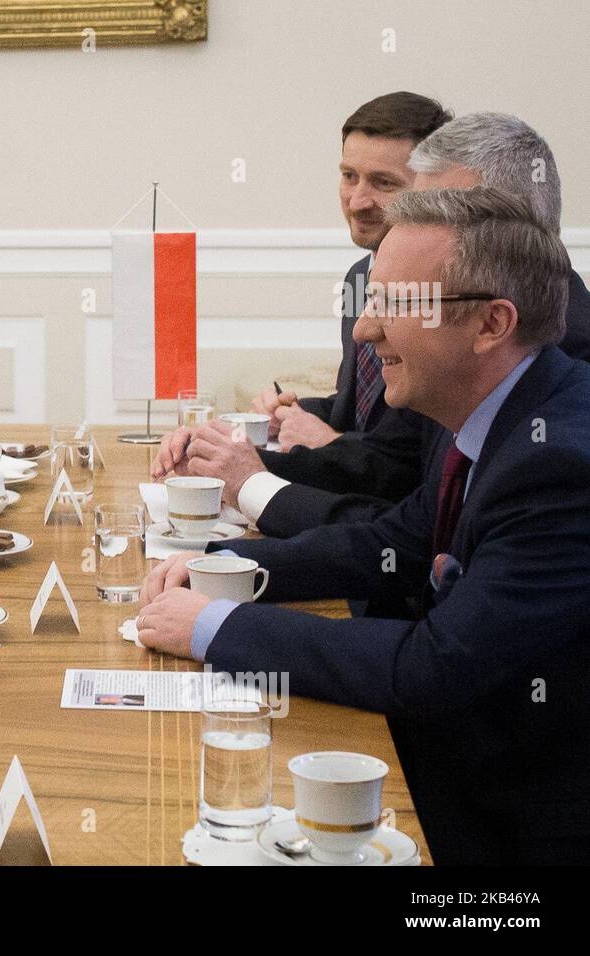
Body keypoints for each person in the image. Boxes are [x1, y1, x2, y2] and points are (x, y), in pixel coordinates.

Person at [136, 188, 590, 865]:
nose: (363, 330)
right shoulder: (482, 407)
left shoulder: (560, 461)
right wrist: (226, 565)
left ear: (491, 324)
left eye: (393, 305)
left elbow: (436, 667)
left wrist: (213, 628)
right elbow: (394, 543)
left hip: (515, 829)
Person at [156, 113, 590, 539]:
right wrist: (233, 458)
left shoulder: (548, 350)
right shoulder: (386, 289)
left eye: (444, 210)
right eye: (348, 175)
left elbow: (401, 505)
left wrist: (254, 479)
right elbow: (402, 474)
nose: (411, 220)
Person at [250, 92, 453, 452]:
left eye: (383, 183)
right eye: (349, 176)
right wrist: (294, 414)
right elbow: (359, 413)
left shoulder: (447, 293)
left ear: (431, 188)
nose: (358, 201)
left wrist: (330, 443)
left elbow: (415, 459)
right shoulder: (359, 276)